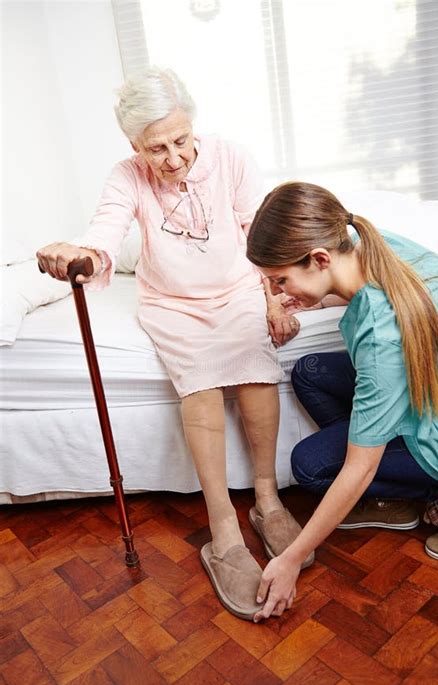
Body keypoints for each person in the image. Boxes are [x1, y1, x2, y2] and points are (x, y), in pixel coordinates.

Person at [36, 67, 313, 621]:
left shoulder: (230, 156)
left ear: (193, 128)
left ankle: (265, 499)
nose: (174, 158)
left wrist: (274, 300)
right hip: (173, 304)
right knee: (203, 388)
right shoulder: (127, 176)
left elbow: (258, 234)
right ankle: (223, 529)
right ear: (134, 145)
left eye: (181, 140)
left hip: (237, 289)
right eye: (156, 147)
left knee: (257, 370)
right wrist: (79, 256)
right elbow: (105, 232)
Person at [246, 181, 438, 622]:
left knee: (311, 465)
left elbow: (359, 466)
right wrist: (313, 295)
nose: (277, 290)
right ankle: (393, 470)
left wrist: (292, 558)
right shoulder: (369, 241)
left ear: (319, 259)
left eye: (281, 279)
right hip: (430, 384)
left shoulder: (381, 337)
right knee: (308, 371)